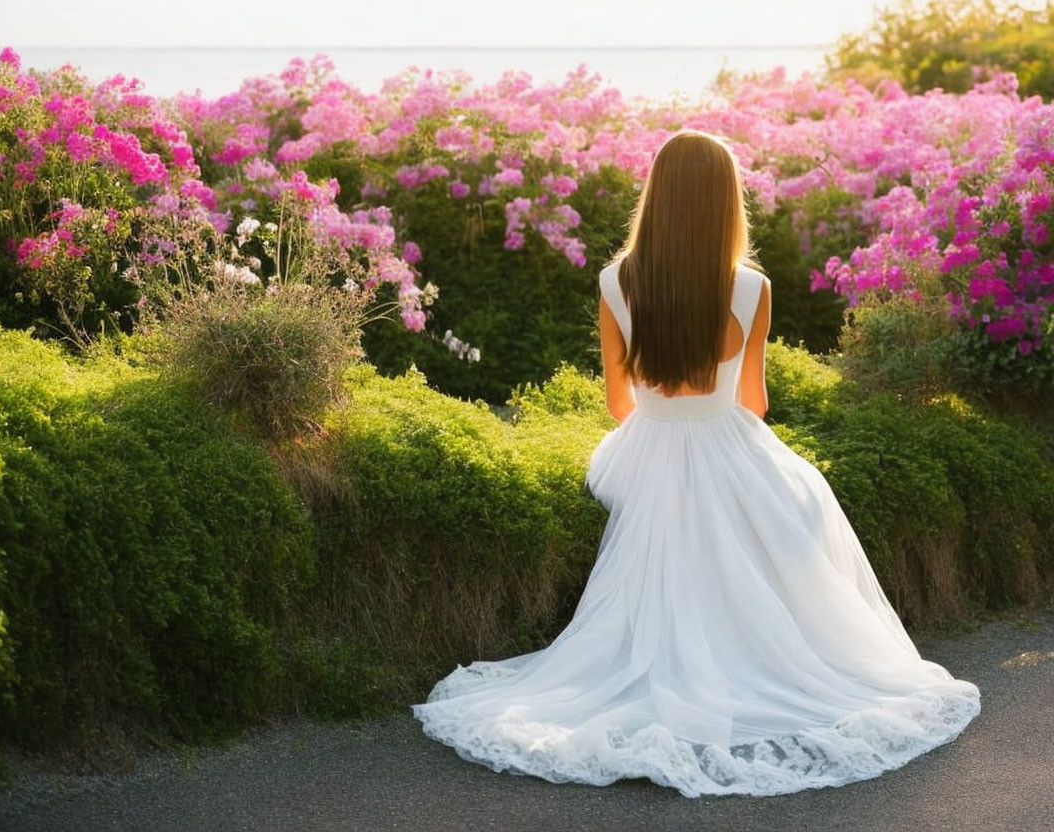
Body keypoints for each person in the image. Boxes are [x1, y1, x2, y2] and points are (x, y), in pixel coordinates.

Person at [410, 129, 981, 797]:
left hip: (647, 445)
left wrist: (666, 427)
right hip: (724, 437)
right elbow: (755, 402)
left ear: (656, 199)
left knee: (672, 514)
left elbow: (619, 401)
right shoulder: (750, 289)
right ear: (724, 205)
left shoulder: (615, 281)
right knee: (794, 499)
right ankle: (753, 658)